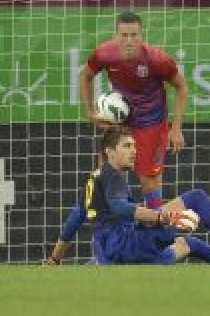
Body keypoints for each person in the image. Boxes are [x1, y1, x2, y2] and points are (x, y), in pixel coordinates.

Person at [45, 128, 210, 266]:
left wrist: (55, 259)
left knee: (189, 245)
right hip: (127, 244)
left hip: (110, 252)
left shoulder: (94, 180)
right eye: (126, 146)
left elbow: (73, 221)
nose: (134, 151)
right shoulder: (113, 175)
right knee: (196, 197)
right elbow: (120, 206)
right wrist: (162, 217)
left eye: (134, 145)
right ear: (109, 152)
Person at [79, 12, 188, 209]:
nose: (129, 40)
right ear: (115, 35)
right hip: (121, 122)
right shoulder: (104, 54)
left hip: (151, 123)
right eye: (124, 35)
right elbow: (84, 76)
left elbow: (181, 86)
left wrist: (176, 128)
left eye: (134, 35)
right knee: (106, 171)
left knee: (148, 181)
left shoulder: (157, 59)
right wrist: (89, 112)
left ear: (141, 35)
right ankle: (112, 226)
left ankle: (155, 229)